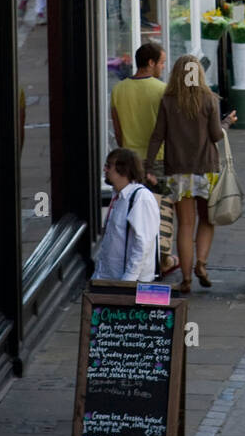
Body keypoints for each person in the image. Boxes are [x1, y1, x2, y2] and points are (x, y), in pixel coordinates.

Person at [146, 55, 234, 293]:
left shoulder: (168, 101)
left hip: (177, 171)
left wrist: (147, 166)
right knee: (207, 219)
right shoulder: (209, 100)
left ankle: (185, 279)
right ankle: (201, 265)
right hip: (206, 169)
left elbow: (157, 136)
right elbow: (216, 135)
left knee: (185, 225)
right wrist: (227, 123)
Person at [111, 41, 176, 274]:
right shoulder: (162, 90)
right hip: (156, 160)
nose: (163, 67)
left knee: (133, 211)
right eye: (161, 62)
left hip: (129, 160)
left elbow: (118, 131)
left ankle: (133, 256)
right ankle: (162, 258)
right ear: (150, 63)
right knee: (161, 210)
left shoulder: (118, 90)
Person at [93, 149, 160, 284]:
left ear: (123, 170)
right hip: (108, 278)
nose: (105, 170)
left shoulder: (141, 198)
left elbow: (143, 244)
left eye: (109, 166)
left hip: (129, 283)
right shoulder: (118, 197)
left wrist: (128, 281)